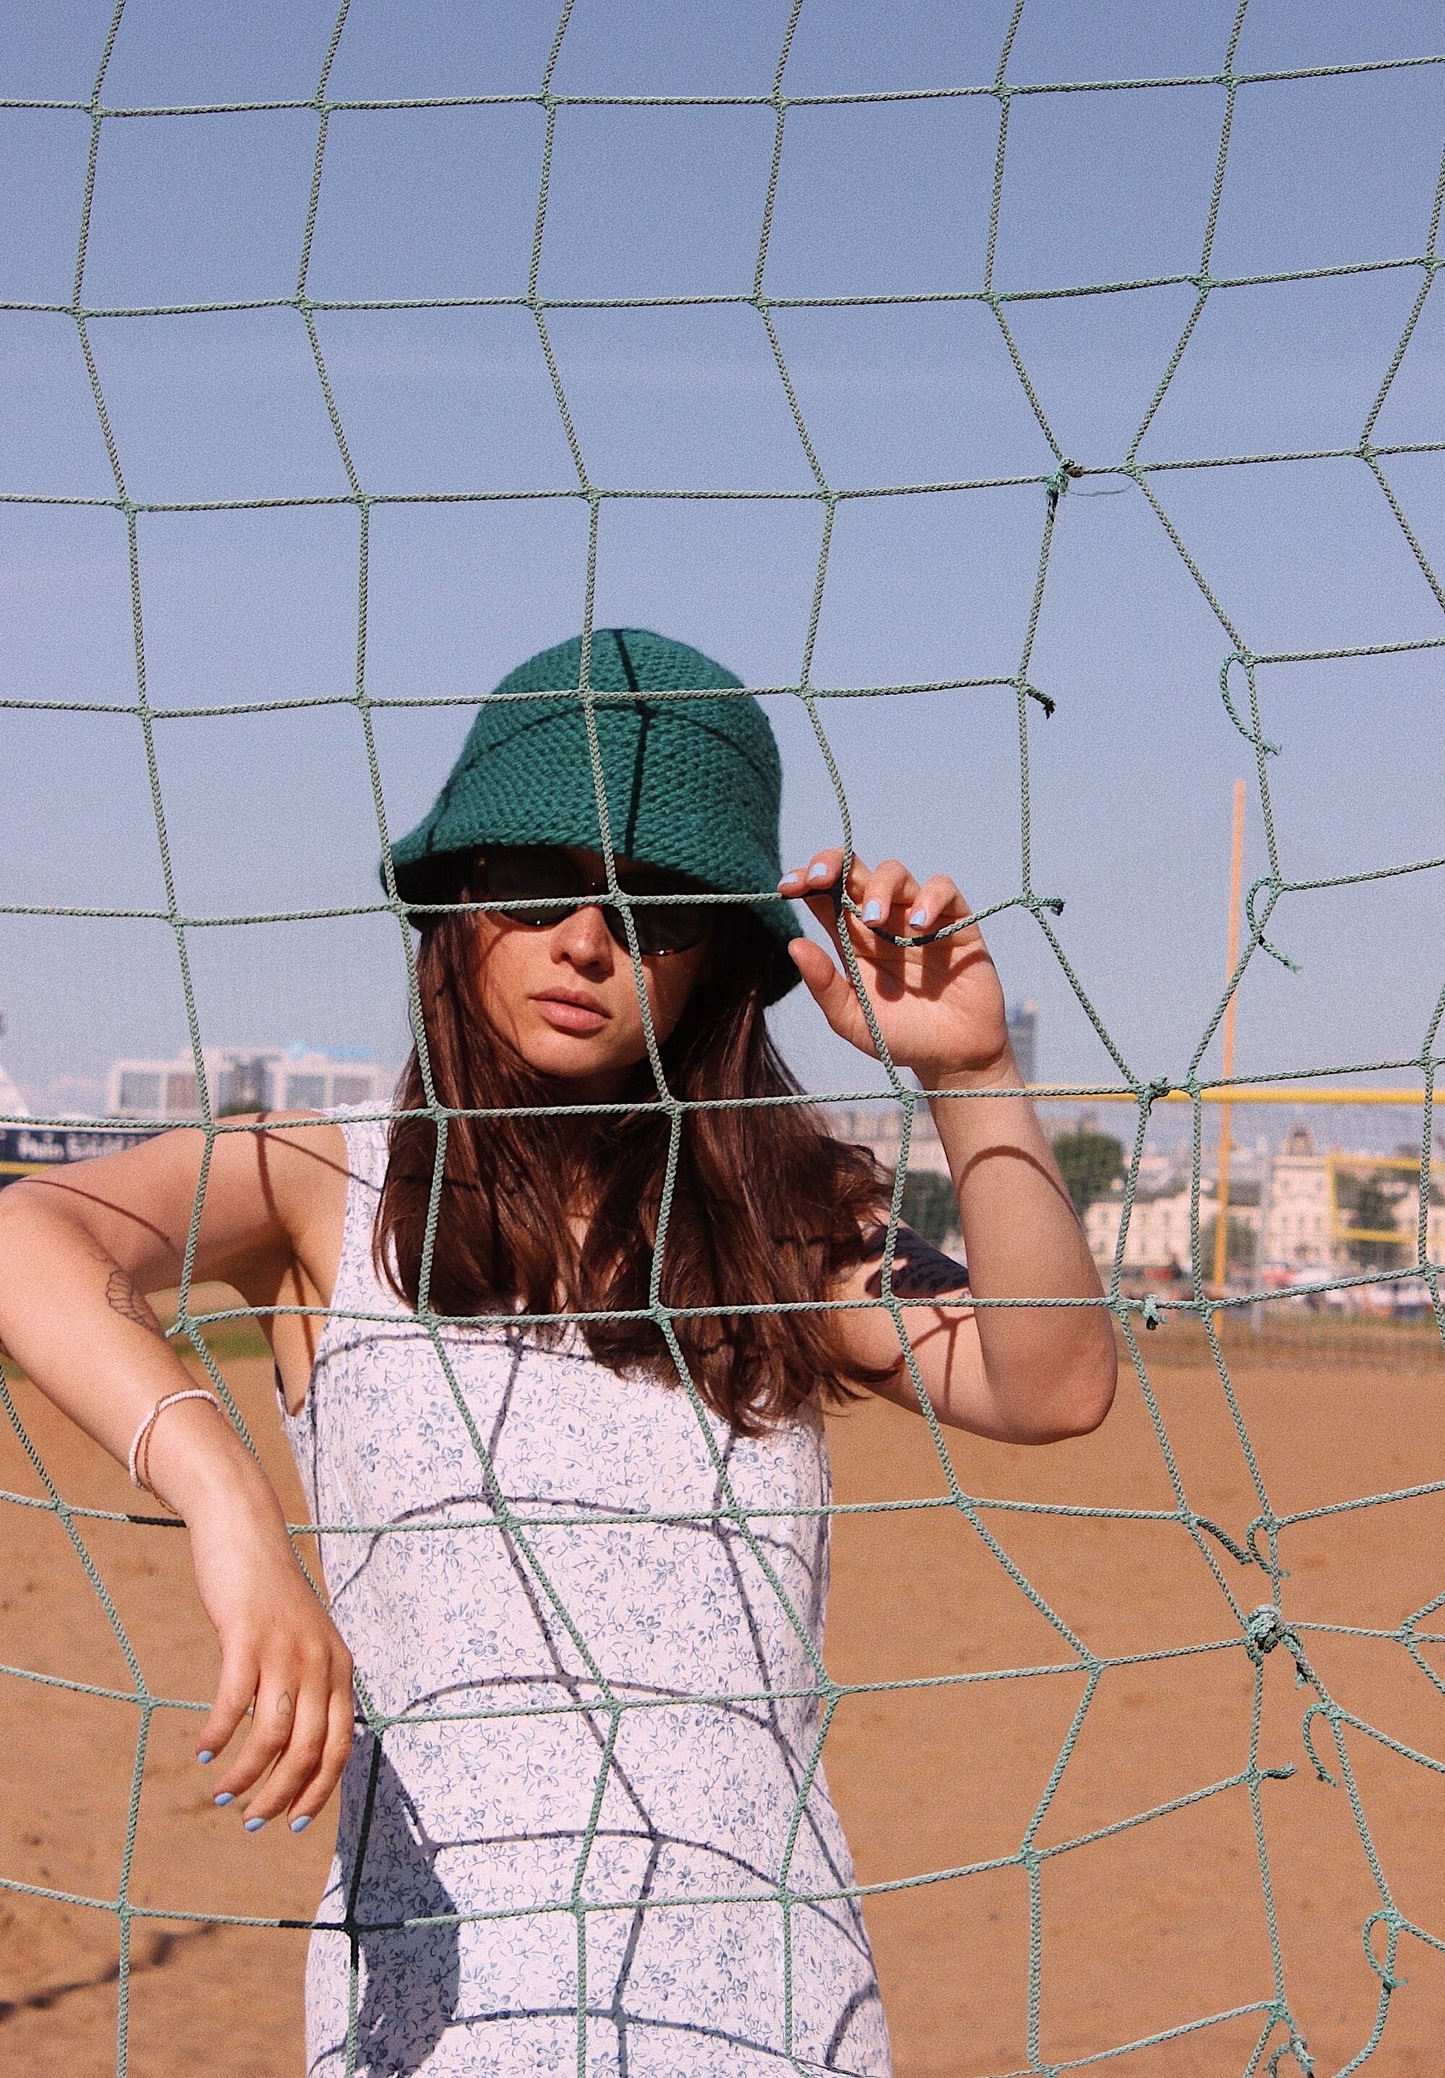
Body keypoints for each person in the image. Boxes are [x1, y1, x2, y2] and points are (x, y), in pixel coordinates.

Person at [0, 628, 1115, 2077]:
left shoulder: (786, 1231)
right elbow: (28, 1238)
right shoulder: (319, 1186)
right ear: (457, 900)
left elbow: (1051, 1385)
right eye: (534, 886)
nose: (584, 940)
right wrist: (229, 1506)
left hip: (767, 2023)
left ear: (720, 957)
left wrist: (969, 1075)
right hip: (438, 2027)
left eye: (651, 906)